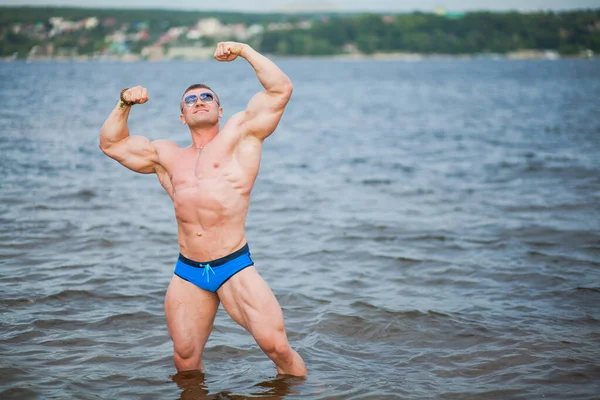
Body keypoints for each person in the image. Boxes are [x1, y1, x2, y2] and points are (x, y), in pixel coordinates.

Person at [99, 42, 307, 377]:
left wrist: (243, 50)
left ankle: (312, 392)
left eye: (207, 97)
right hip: (189, 271)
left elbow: (280, 88)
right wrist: (124, 102)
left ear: (220, 111)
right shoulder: (165, 156)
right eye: (191, 100)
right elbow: (112, 143)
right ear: (182, 117)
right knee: (184, 359)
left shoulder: (243, 135)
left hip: (233, 264)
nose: (199, 101)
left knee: (277, 348)